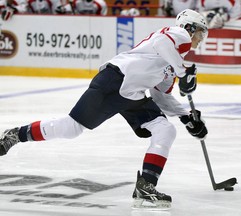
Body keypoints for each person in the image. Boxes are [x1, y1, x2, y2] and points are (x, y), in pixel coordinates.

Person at [0, 9, 208, 209]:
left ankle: (146, 186)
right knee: (71, 128)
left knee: (165, 129)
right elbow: (163, 43)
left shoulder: (175, 61)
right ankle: (15, 135)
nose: (200, 39)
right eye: (200, 32)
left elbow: (160, 96)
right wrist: (184, 71)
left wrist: (186, 117)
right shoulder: (177, 35)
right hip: (115, 80)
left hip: (132, 94)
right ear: (189, 27)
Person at [164, 0, 241, 29]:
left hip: (229, 29)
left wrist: (226, 18)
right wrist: (207, 16)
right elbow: (198, 13)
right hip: (206, 30)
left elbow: (239, 12)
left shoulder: (233, 1)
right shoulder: (202, 1)